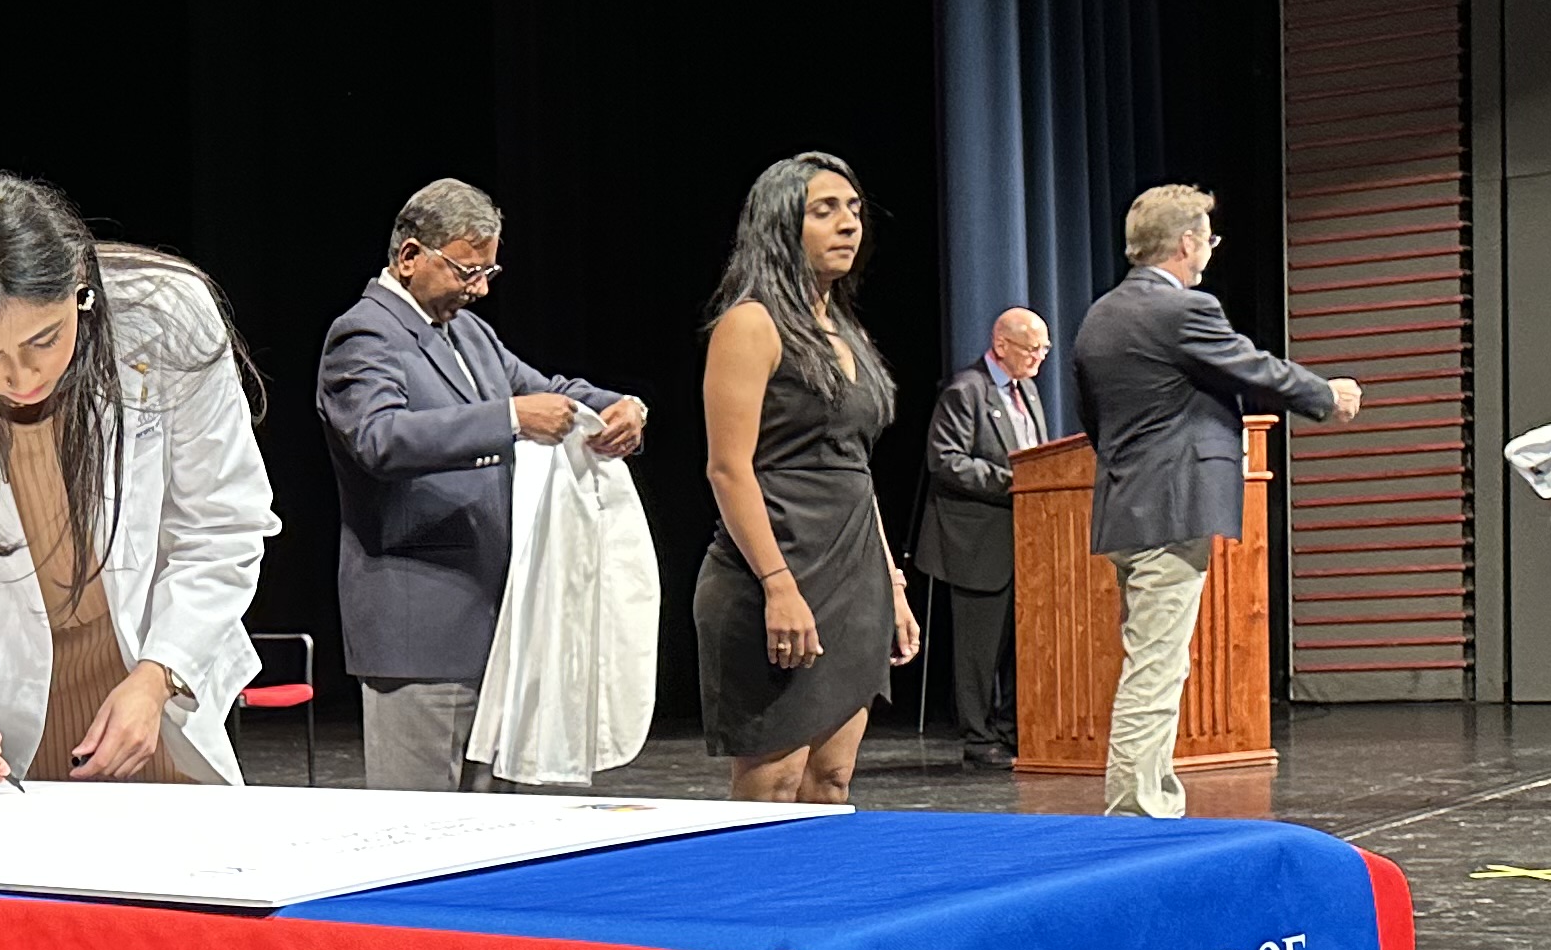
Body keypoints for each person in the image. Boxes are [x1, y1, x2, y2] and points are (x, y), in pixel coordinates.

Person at [0, 169, 277, 794]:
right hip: (1, 757)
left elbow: (224, 524)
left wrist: (158, 676)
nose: (20, 378)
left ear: (80, 289)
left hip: (152, 711)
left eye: (44, 340)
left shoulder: (168, 318)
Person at [318, 178, 645, 790]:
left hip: (500, 624)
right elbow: (379, 439)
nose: (480, 289)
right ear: (410, 257)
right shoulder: (363, 334)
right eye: (467, 271)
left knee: (492, 832)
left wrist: (623, 405)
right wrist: (511, 420)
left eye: (489, 271)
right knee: (416, 835)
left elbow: (549, 389)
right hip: (422, 627)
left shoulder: (471, 335)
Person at [1069, 183, 1360, 818]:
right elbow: (1251, 367)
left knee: (1152, 658)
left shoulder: (1101, 314)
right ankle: (1139, 810)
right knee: (1157, 666)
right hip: (1171, 510)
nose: (1209, 249)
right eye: (1208, 237)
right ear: (1187, 242)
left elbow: (1096, 420)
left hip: (1127, 504)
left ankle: (1146, 798)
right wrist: (1325, 395)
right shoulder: (1183, 309)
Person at [692, 153, 917, 804]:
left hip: (853, 577)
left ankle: (822, 909)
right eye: (825, 212)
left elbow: (856, 469)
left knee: (831, 779)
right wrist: (778, 587)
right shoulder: (750, 324)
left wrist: (892, 584)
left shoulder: (845, 331)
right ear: (782, 226)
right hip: (773, 573)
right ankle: (755, 909)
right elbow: (727, 468)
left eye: (853, 211)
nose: (849, 225)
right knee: (775, 782)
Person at [909, 307, 1057, 770]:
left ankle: (1013, 730)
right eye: (1033, 348)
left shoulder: (1028, 390)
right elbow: (946, 462)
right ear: (1001, 346)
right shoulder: (964, 392)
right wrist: (1013, 481)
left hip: (1025, 539)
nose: (1040, 357)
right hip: (975, 541)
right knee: (978, 650)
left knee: (1022, 643)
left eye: (1045, 348)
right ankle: (978, 739)